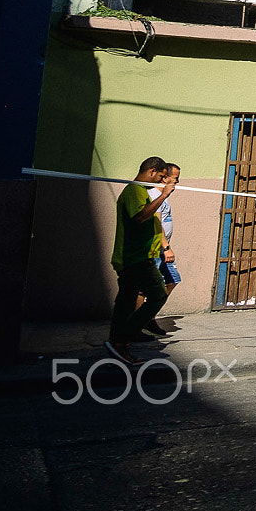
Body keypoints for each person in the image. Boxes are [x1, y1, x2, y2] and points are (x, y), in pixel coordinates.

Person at [107, 156, 175, 364]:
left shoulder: (141, 192)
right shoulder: (135, 191)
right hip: (135, 258)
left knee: (126, 301)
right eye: (161, 177)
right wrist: (163, 196)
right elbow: (139, 217)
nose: (161, 182)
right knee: (157, 294)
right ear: (152, 171)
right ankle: (123, 337)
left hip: (139, 256)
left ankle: (119, 342)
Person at [140, 163, 182, 335]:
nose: (178, 181)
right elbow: (156, 223)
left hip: (162, 249)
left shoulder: (163, 196)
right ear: (165, 177)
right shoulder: (154, 195)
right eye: (176, 178)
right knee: (144, 287)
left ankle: (148, 316)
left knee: (172, 280)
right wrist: (166, 247)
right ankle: (138, 321)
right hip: (156, 248)